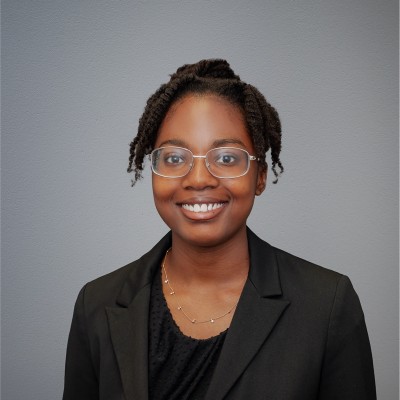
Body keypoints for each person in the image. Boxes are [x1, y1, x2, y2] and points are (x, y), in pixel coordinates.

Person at [63, 59, 376, 400]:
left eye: (227, 158)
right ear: (152, 170)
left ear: (259, 177)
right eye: (174, 158)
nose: (198, 179)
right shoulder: (96, 305)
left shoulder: (326, 306)